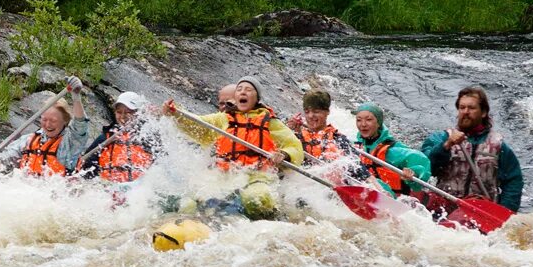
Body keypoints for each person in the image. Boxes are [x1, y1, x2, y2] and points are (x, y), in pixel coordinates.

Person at [165, 76, 303, 219]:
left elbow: (294, 145)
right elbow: (199, 125)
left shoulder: (270, 122)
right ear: (235, 97)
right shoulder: (223, 118)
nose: (243, 92)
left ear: (257, 98)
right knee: (190, 203)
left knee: (257, 199)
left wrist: (284, 154)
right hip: (225, 174)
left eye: (248, 90)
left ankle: (265, 221)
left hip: (256, 175)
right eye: (239, 90)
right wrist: (177, 114)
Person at [419, 86, 523, 212]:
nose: (465, 112)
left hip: (480, 213)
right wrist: (446, 145)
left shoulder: (499, 147)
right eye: (462, 108)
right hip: (444, 210)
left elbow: (513, 182)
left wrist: (505, 212)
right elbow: (424, 167)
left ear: (483, 112)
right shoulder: (441, 138)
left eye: (471, 108)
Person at [0, 81, 92, 176]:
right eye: (44, 119)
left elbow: (80, 125)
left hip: (56, 194)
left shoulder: (69, 144)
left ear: (65, 120)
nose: (48, 124)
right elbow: (7, 159)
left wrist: (76, 98)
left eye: (53, 121)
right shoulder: (28, 140)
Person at [353, 102, 431, 198]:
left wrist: (412, 173)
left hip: (395, 198)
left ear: (378, 123)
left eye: (369, 120)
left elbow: (422, 161)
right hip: (365, 190)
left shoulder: (393, 150)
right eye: (359, 120)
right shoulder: (356, 146)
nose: (363, 124)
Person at [78, 91, 155, 182]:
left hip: (138, 190)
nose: (122, 117)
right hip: (109, 189)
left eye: (128, 112)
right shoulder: (105, 139)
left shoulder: (148, 138)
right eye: (119, 112)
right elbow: (85, 168)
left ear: (137, 114)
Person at [287, 89, 355, 164]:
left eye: (316, 112)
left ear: (327, 111)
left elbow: (360, 171)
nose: (310, 116)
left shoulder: (338, 139)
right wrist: (289, 132)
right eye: (307, 112)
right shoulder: (297, 134)